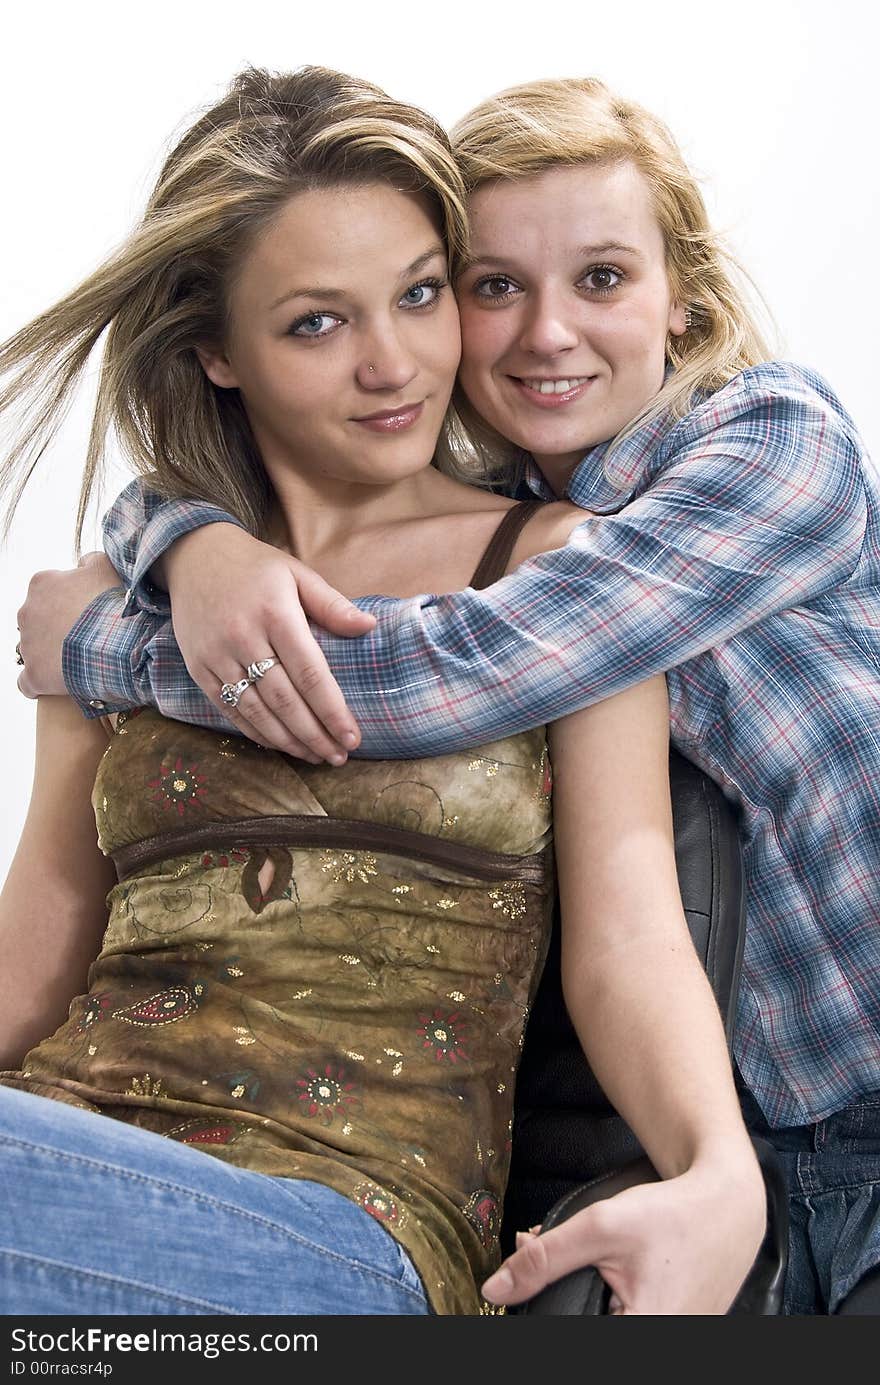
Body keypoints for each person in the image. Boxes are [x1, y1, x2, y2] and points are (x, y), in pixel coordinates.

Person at [16, 73, 879, 1318]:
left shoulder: (741, 460)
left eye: (417, 294)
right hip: (766, 1138)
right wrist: (184, 546)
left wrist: (119, 647)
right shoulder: (170, 567)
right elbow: (32, 964)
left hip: (392, 1195)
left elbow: (465, 692)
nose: (539, 336)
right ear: (216, 347)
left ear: (683, 295)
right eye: (487, 287)